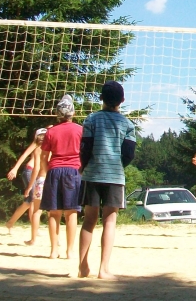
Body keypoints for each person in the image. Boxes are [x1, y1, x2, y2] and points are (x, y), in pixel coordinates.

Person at [78, 81, 136, 280]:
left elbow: (85, 148)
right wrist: (118, 165)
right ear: (122, 100)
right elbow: (129, 154)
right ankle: (103, 269)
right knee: (109, 221)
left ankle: (83, 266)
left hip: (92, 174)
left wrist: (83, 166)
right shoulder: (127, 124)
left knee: (88, 220)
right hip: (114, 176)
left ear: (101, 98)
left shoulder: (91, 119)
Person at [40, 95, 82, 259]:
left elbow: (44, 157)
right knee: (71, 213)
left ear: (57, 114)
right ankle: (69, 251)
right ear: (73, 113)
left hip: (55, 171)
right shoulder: (80, 130)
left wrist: (47, 172)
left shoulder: (51, 132)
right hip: (73, 171)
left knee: (54, 212)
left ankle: (53, 250)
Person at [5, 128, 47, 239]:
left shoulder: (48, 143)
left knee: (29, 202)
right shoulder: (36, 143)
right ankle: (33, 228)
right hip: (30, 171)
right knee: (32, 200)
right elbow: (24, 155)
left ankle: (11, 223)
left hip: (39, 174)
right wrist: (15, 168)